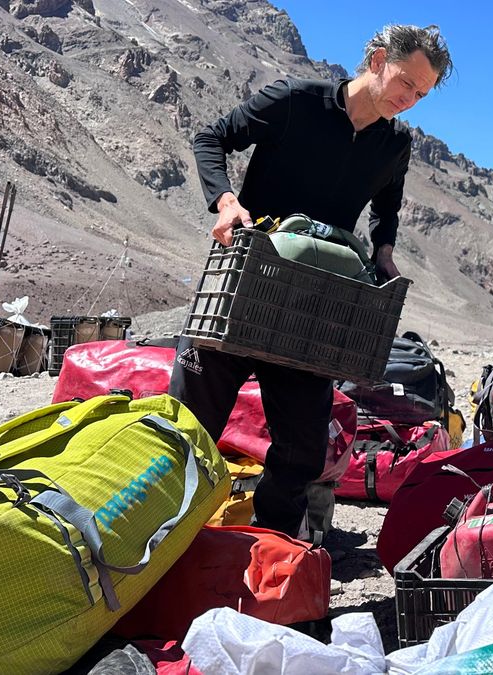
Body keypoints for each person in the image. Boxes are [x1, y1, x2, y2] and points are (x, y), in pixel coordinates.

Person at [171, 24, 452, 537]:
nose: (409, 99)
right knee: (187, 431)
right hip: (244, 286)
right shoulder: (296, 101)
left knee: (301, 449)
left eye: (421, 93)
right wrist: (227, 202)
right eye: (405, 82)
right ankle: (158, 541)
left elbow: (386, 208)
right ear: (377, 59)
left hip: (313, 312)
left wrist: (384, 254)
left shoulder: (394, 144)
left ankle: (270, 555)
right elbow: (211, 137)